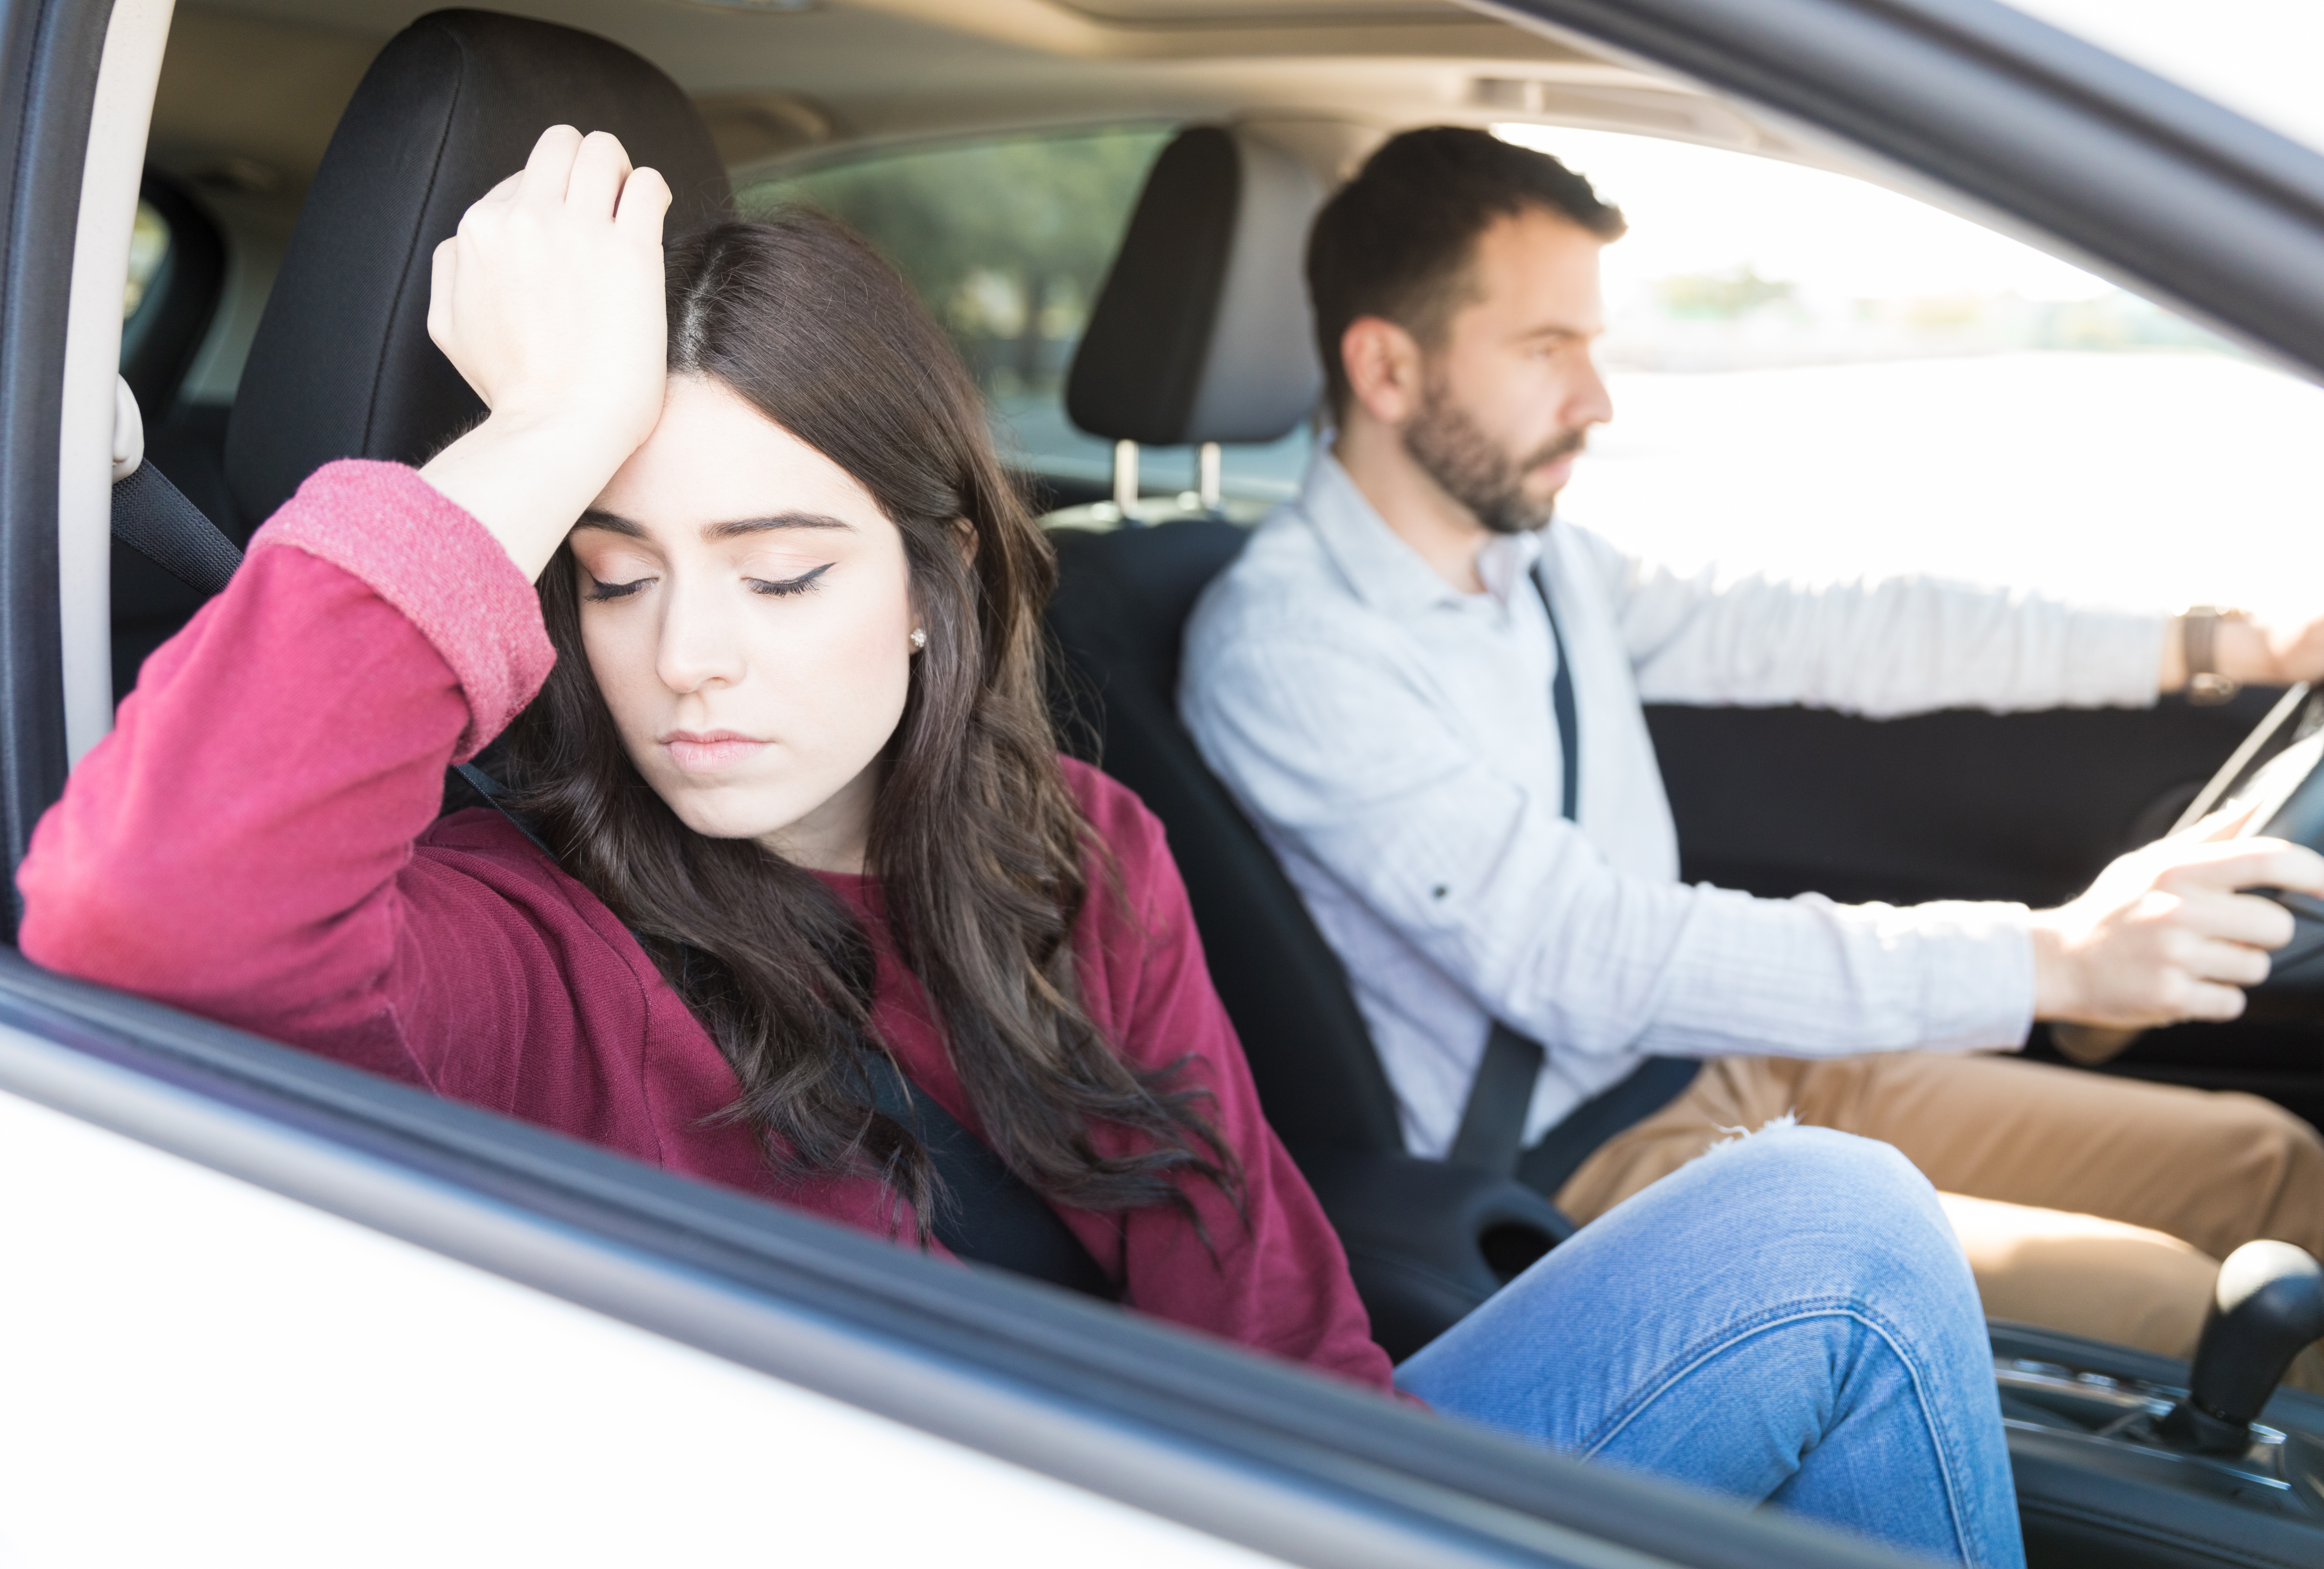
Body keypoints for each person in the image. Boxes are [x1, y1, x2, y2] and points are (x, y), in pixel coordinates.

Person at [20, 126, 2022, 1566]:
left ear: (930, 583)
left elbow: (1276, 1338)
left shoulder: (1075, 851)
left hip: (1223, 1487)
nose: (689, 662)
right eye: (611, 579)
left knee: (1832, 1227)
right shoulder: (521, 942)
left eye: (783, 571)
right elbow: (141, 905)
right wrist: (528, 445)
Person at [1179, 124, 2324, 1394]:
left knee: (2274, 1166)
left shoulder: (1536, 564)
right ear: (1387, 369)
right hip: (1585, 1162)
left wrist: (2223, 642)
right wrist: (2052, 959)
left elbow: (1841, 628)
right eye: (1544, 348)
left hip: (1735, 1060)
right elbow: (1587, 958)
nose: (1599, 396)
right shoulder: (1292, 651)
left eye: (1593, 341)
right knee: (2182, 1309)